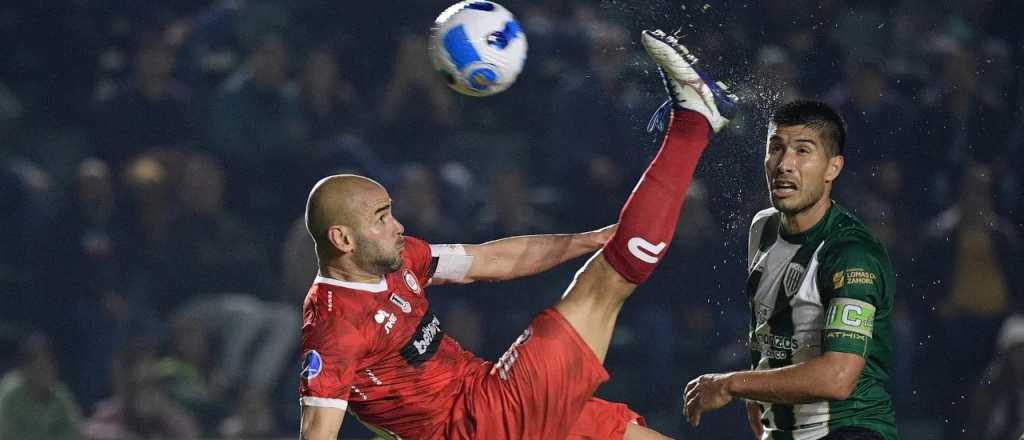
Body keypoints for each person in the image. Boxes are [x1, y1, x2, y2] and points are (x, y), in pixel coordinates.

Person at [298, 29, 736, 440]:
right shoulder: (335, 328)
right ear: (342, 239)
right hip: (484, 423)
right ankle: (693, 122)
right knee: (609, 280)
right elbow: (317, 430)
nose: (398, 225)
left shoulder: (399, 258)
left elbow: (492, 260)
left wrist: (585, 241)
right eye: (381, 218)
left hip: (489, 395)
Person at [682, 100, 898, 439]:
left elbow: (838, 377)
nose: (784, 164)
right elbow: (770, 322)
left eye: (803, 151)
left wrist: (732, 385)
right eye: (776, 148)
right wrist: (758, 389)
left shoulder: (850, 253)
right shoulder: (763, 228)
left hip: (849, 430)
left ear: (833, 168)